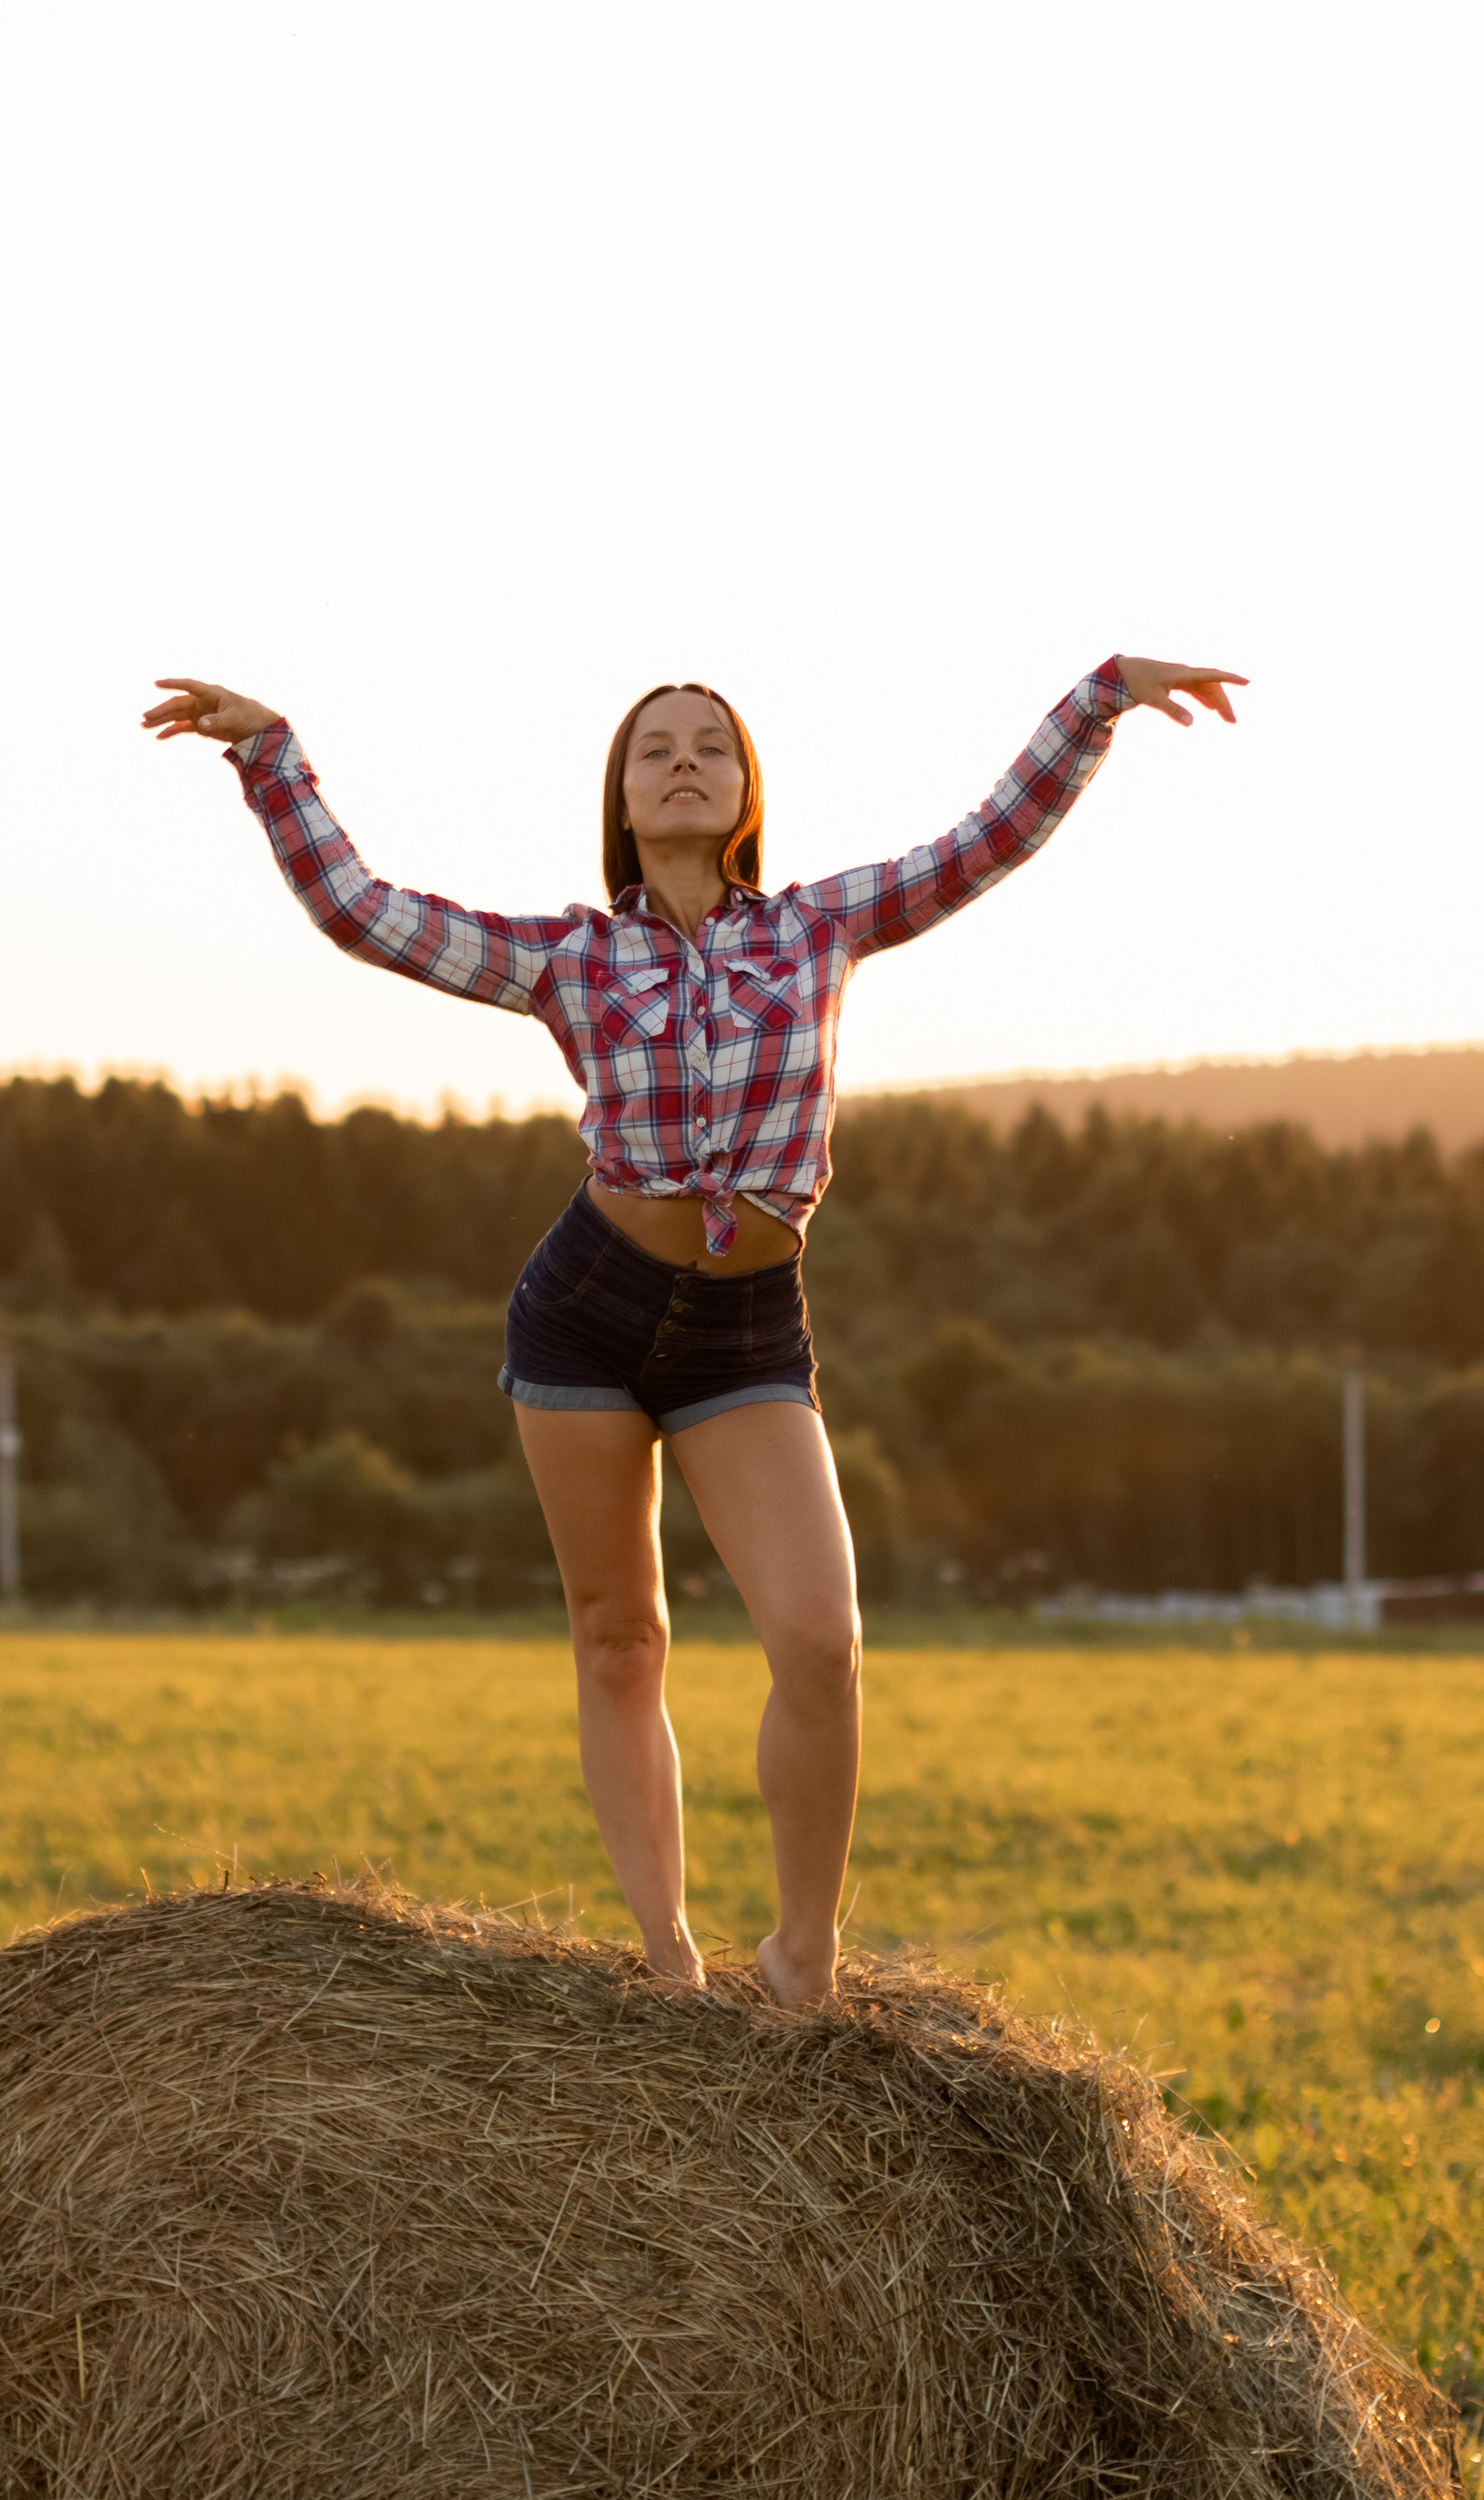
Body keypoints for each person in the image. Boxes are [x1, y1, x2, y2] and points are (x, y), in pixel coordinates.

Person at [143, 652, 1242, 2006]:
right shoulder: (567, 957)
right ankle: (667, 1954)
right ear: (620, 795)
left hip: (744, 1330)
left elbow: (985, 842)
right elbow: (366, 914)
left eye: (710, 746)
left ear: (744, 792)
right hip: (587, 1310)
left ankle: (799, 1955)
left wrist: (1102, 699)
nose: (681, 760)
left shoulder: (819, 929)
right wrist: (272, 756)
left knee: (822, 1643)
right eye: (653, 746)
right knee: (621, 1635)